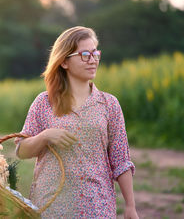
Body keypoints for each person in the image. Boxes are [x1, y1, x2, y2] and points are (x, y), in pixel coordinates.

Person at [15, 26, 138, 218]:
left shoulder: (109, 104)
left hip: (97, 206)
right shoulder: (44, 102)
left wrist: (130, 206)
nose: (93, 60)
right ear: (64, 61)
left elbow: (120, 160)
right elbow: (22, 150)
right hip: (51, 206)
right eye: (85, 54)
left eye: (95, 54)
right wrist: (46, 136)